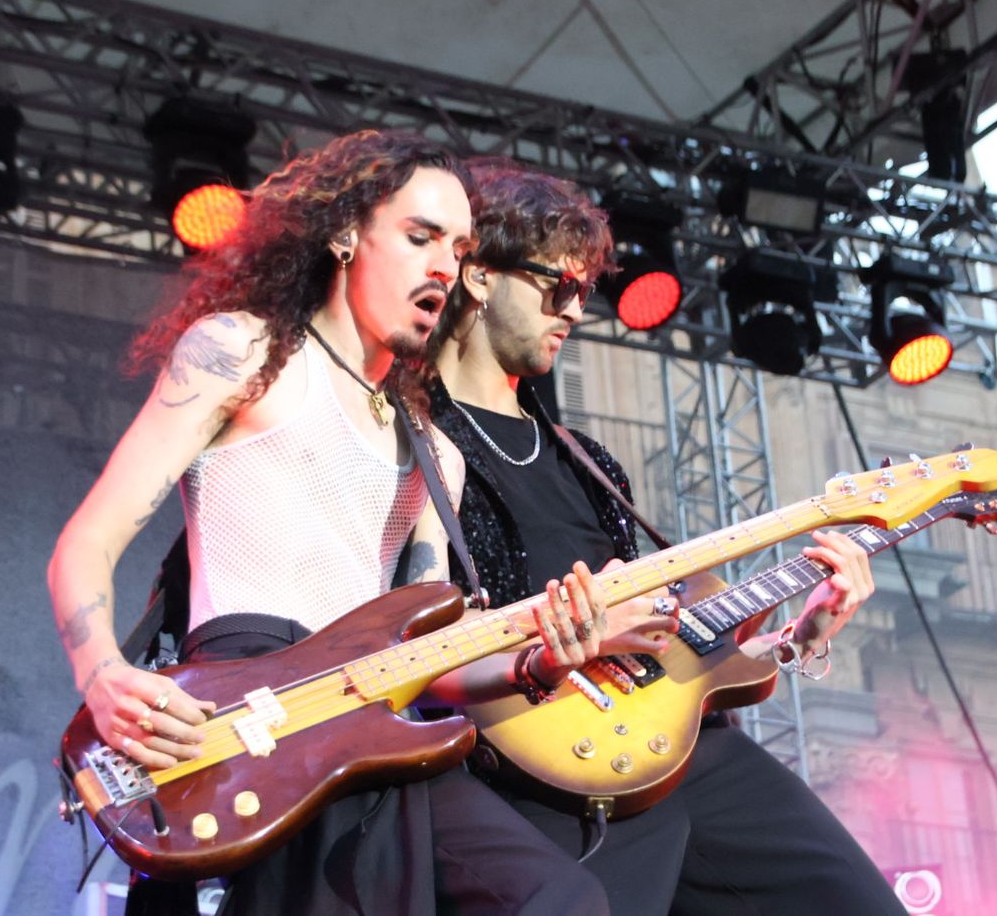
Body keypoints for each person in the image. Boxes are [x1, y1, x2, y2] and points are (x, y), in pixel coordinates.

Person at [46, 129, 611, 915]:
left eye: (458, 247)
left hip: (373, 722)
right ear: (347, 232)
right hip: (246, 710)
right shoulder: (244, 352)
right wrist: (103, 675)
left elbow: (437, 662)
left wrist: (541, 658)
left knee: (558, 898)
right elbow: (90, 537)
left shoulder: (434, 454)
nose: (443, 266)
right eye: (420, 238)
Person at [429, 159, 909, 915]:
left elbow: (676, 636)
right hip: (540, 762)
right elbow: (409, 629)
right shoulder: (415, 440)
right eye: (558, 285)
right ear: (481, 275)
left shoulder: (587, 459)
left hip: (690, 753)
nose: (575, 310)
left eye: (585, 291)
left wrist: (799, 632)